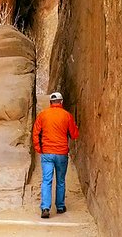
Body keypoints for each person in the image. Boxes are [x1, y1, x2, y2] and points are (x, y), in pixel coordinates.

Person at [32, 91, 79, 219]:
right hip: (61, 153)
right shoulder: (67, 116)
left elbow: (35, 133)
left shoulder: (43, 115)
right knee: (61, 181)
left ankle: (45, 207)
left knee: (47, 180)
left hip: (47, 152)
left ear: (50, 103)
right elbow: (74, 134)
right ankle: (60, 206)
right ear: (61, 102)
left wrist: (38, 148)